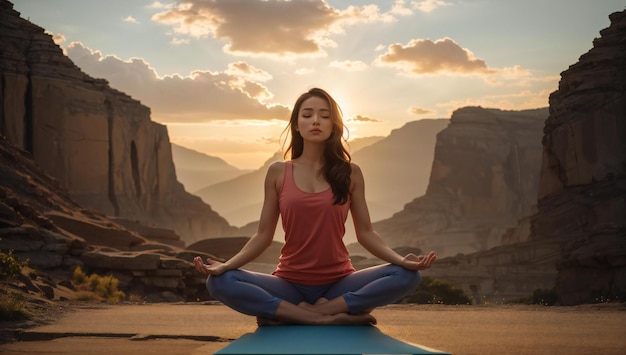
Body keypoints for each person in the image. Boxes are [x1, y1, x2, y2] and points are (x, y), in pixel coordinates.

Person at [194, 87, 436, 326]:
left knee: (406, 276)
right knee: (219, 282)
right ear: (297, 125)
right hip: (289, 284)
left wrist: (400, 260)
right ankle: (320, 318)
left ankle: (303, 313)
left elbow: (366, 233)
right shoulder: (278, 172)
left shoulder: (350, 173)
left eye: (324, 115)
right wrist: (226, 265)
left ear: (334, 125)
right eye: (307, 115)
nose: (316, 121)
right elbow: (263, 235)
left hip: (339, 284)